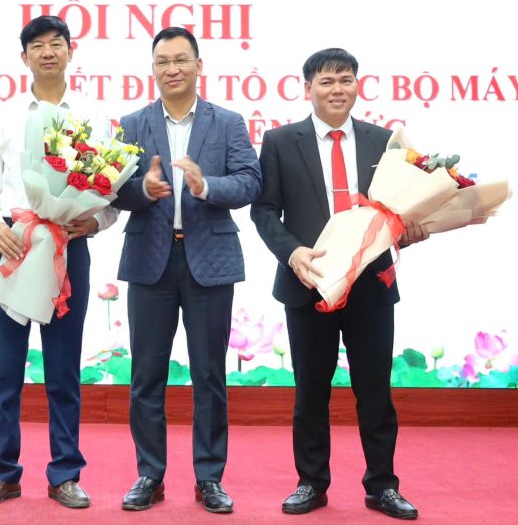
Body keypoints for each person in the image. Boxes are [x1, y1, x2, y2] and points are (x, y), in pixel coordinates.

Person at [250, 48, 425, 520]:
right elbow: (263, 210)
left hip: (371, 283)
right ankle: (311, 483)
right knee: (311, 390)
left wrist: (411, 229)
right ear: (307, 89)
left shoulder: (384, 141)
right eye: (326, 82)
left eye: (345, 80)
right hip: (309, 281)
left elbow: (399, 209)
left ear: (357, 86)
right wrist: (292, 252)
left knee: (375, 389)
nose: (337, 89)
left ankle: (382, 486)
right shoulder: (280, 141)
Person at [0, 15, 117, 510]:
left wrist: (93, 223)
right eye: (38, 46)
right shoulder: (5, 117)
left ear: (71, 52)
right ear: (24, 57)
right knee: (5, 371)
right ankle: (3, 473)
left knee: (63, 371)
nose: (48, 52)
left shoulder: (95, 117)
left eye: (57, 43)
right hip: (13, 248)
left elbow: (110, 196)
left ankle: (65, 474)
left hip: (67, 251)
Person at [113, 26, 260, 514]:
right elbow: (112, 189)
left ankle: (209, 478)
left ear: (199, 66)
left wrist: (205, 186)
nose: (171, 69)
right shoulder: (132, 124)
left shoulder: (228, 123)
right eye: (162, 62)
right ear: (152, 69)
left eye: (181, 60)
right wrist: (142, 190)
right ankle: (149, 475)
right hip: (149, 261)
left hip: (209, 262)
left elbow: (250, 182)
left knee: (209, 375)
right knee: (145, 376)